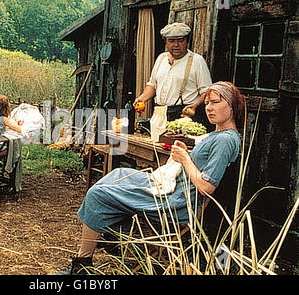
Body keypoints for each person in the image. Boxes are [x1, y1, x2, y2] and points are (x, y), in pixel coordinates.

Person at [53, 81, 245, 275]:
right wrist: (185, 152)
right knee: (119, 174)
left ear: (231, 106)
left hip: (179, 202)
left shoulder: (226, 140)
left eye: (215, 103)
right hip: (177, 191)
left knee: (97, 194)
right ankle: (110, 233)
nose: (209, 108)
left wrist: (185, 159)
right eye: (207, 103)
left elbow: (206, 187)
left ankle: (82, 263)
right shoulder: (219, 133)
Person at [134, 22, 212, 123]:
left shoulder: (196, 60)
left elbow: (206, 92)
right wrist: (142, 99)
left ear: (187, 41)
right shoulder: (161, 58)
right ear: (166, 42)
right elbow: (153, 85)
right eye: (171, 41)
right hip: (159, 113)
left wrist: (195, 105)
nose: (176, 45)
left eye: (180, 40)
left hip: (184, 115)